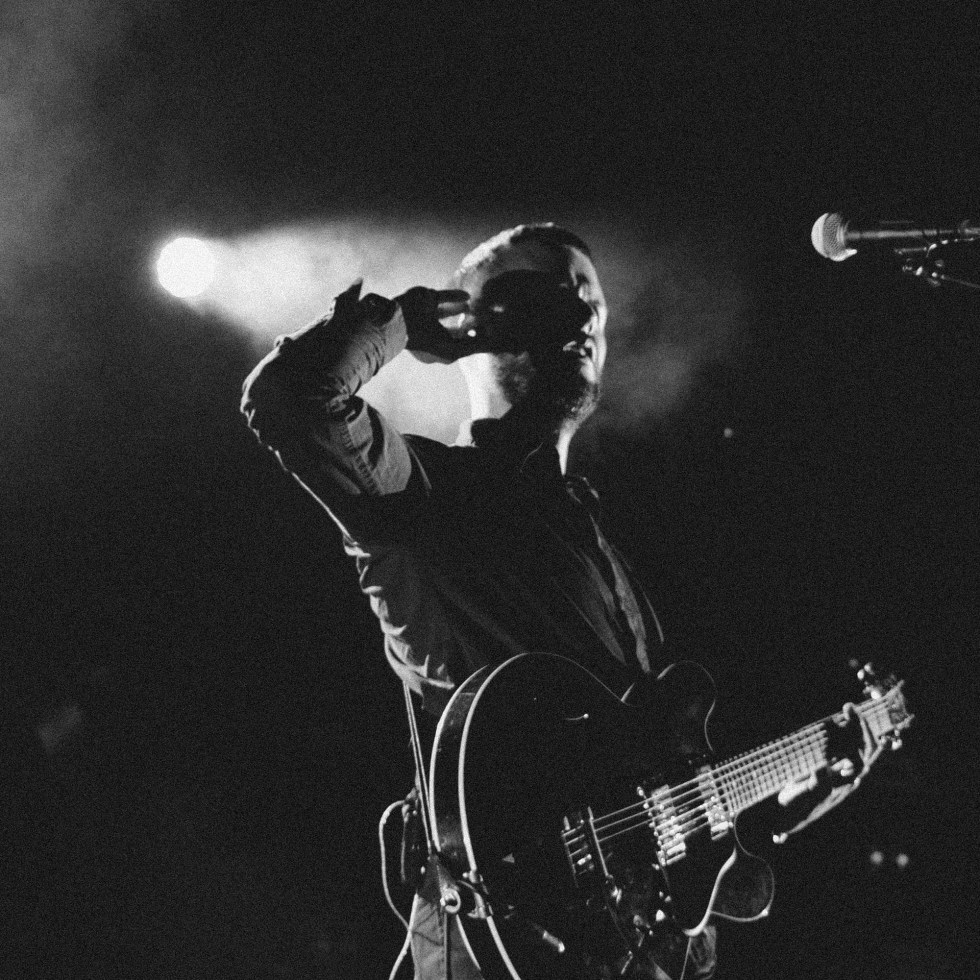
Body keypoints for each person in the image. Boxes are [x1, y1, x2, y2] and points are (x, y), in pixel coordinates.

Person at [240, 223, 871, 980]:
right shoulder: (427, 496)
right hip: (503, 947)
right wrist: (405, 320)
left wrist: (812, 778)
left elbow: (666, 814)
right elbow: (291, 400)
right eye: (546, 292)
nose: (581, 312)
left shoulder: (600, 545)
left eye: (590, 299)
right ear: (478, 319)